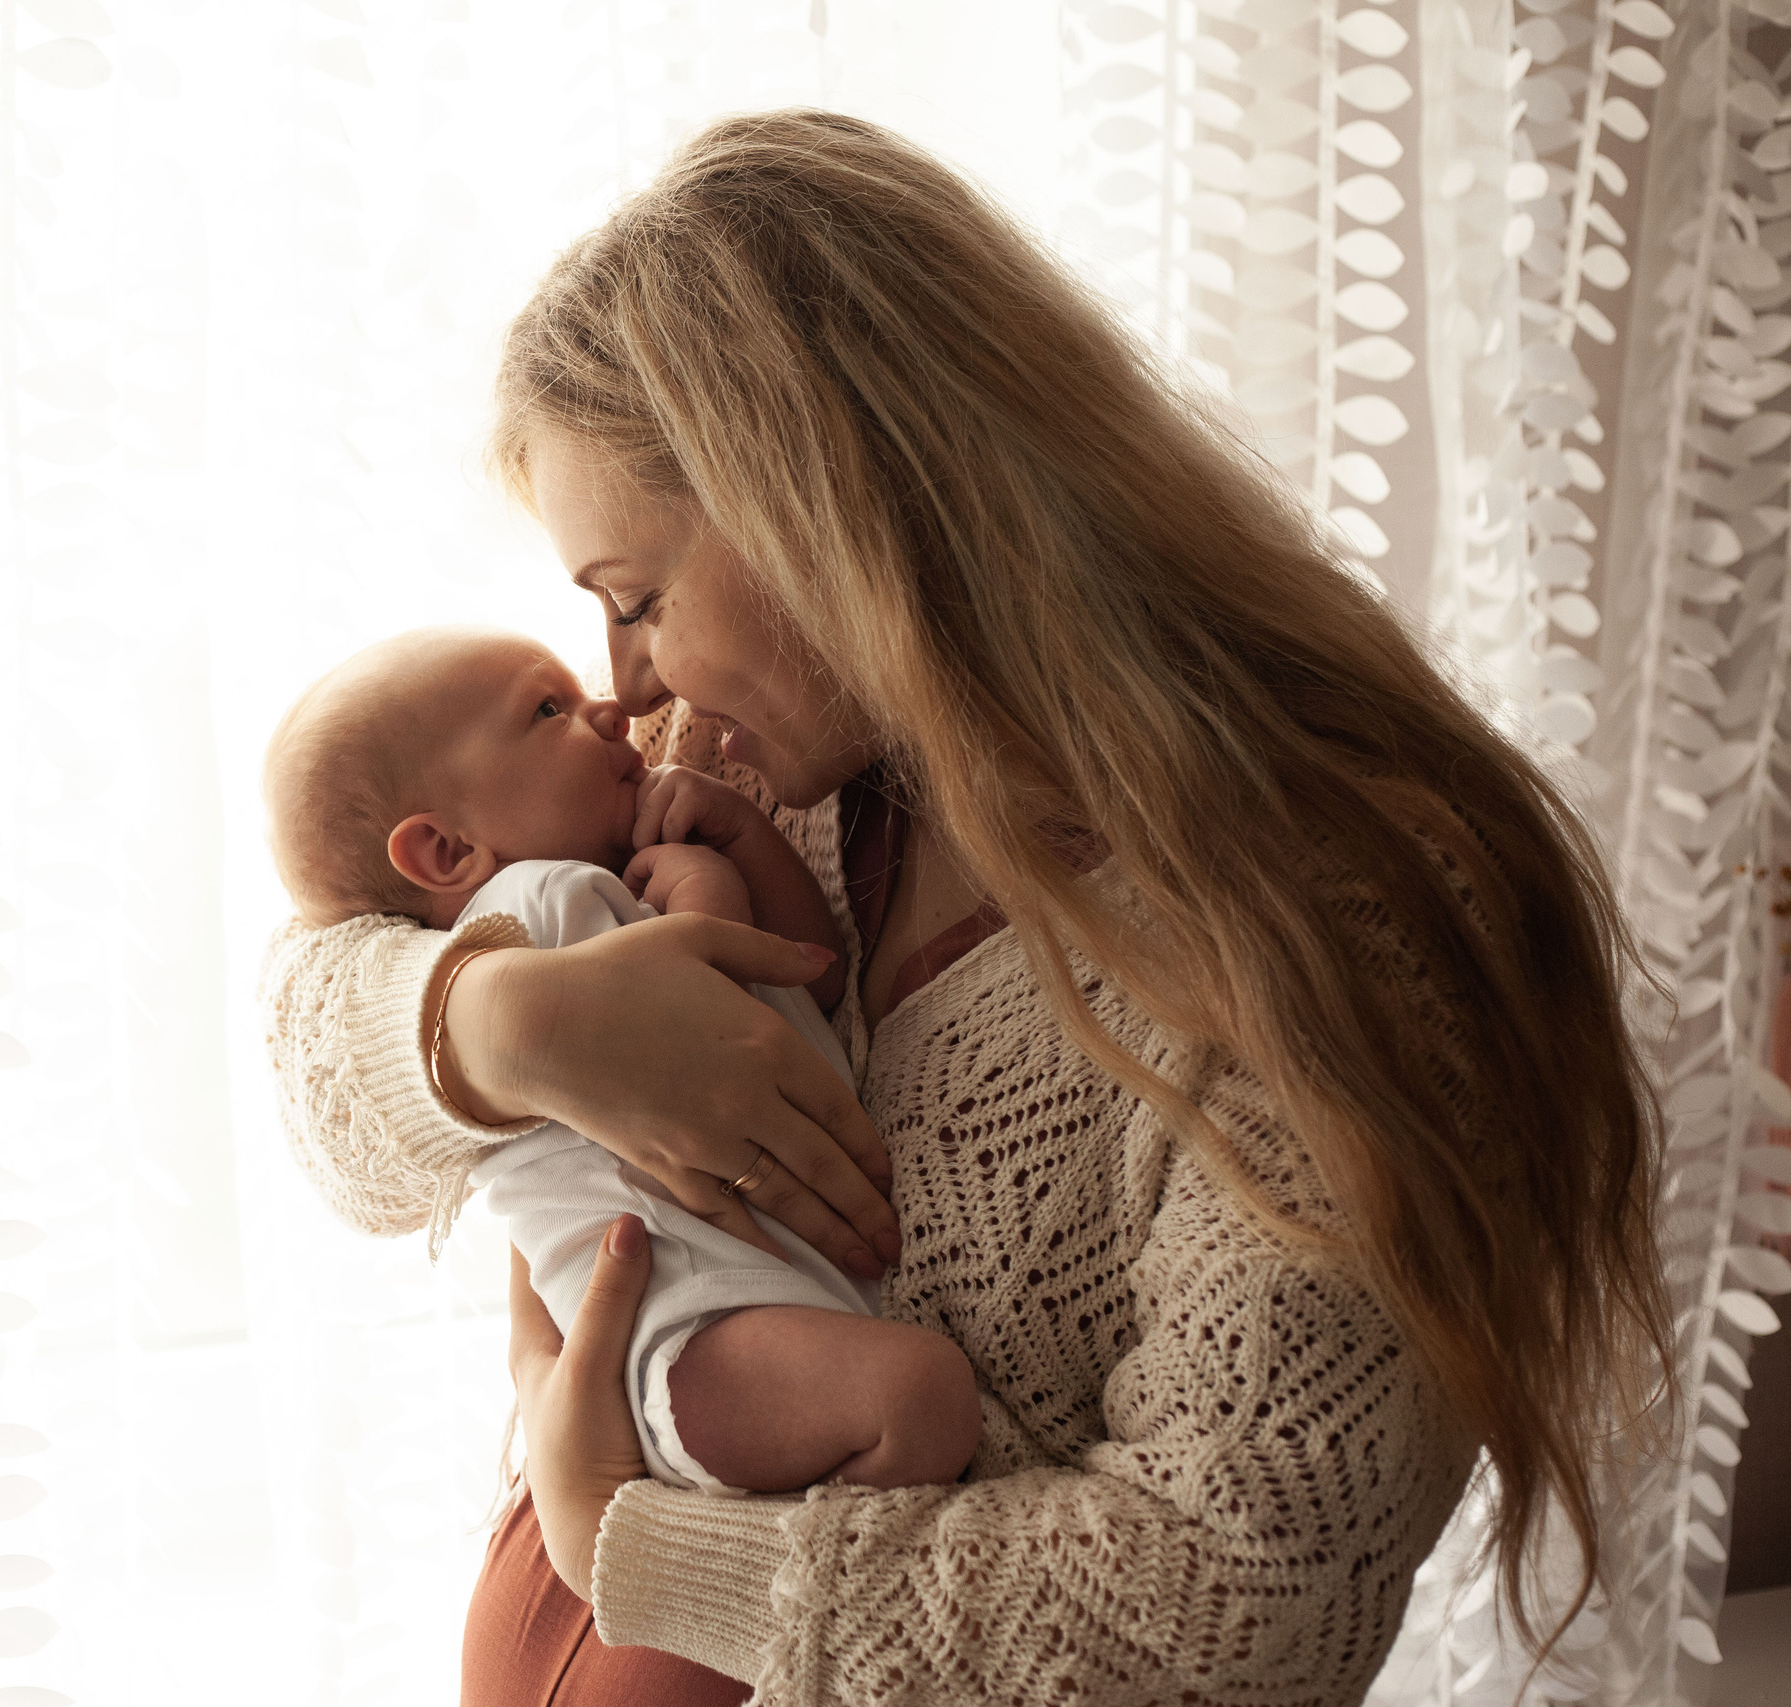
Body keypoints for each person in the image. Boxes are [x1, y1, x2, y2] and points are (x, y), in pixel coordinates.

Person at [260, 110, 1668, 1706]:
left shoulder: (1333, 921)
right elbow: (326, 1025)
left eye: (638, 601)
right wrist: (496, 1020)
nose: (625, 685)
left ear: (827, 509)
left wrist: (631, 1545)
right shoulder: (751, 767)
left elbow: (1238, 1608)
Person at [260, 625, 980, 1497]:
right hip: (692, 1333)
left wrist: (741, 839)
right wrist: (710, 884)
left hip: (719, 1333)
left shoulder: (606, 886)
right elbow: (719, 1006)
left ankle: (789, 1526)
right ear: (449, 851)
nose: (608, 708)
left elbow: (812, 980)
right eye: (547, 709)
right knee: (924, 1397)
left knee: (917, 1401)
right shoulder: (531, 907)